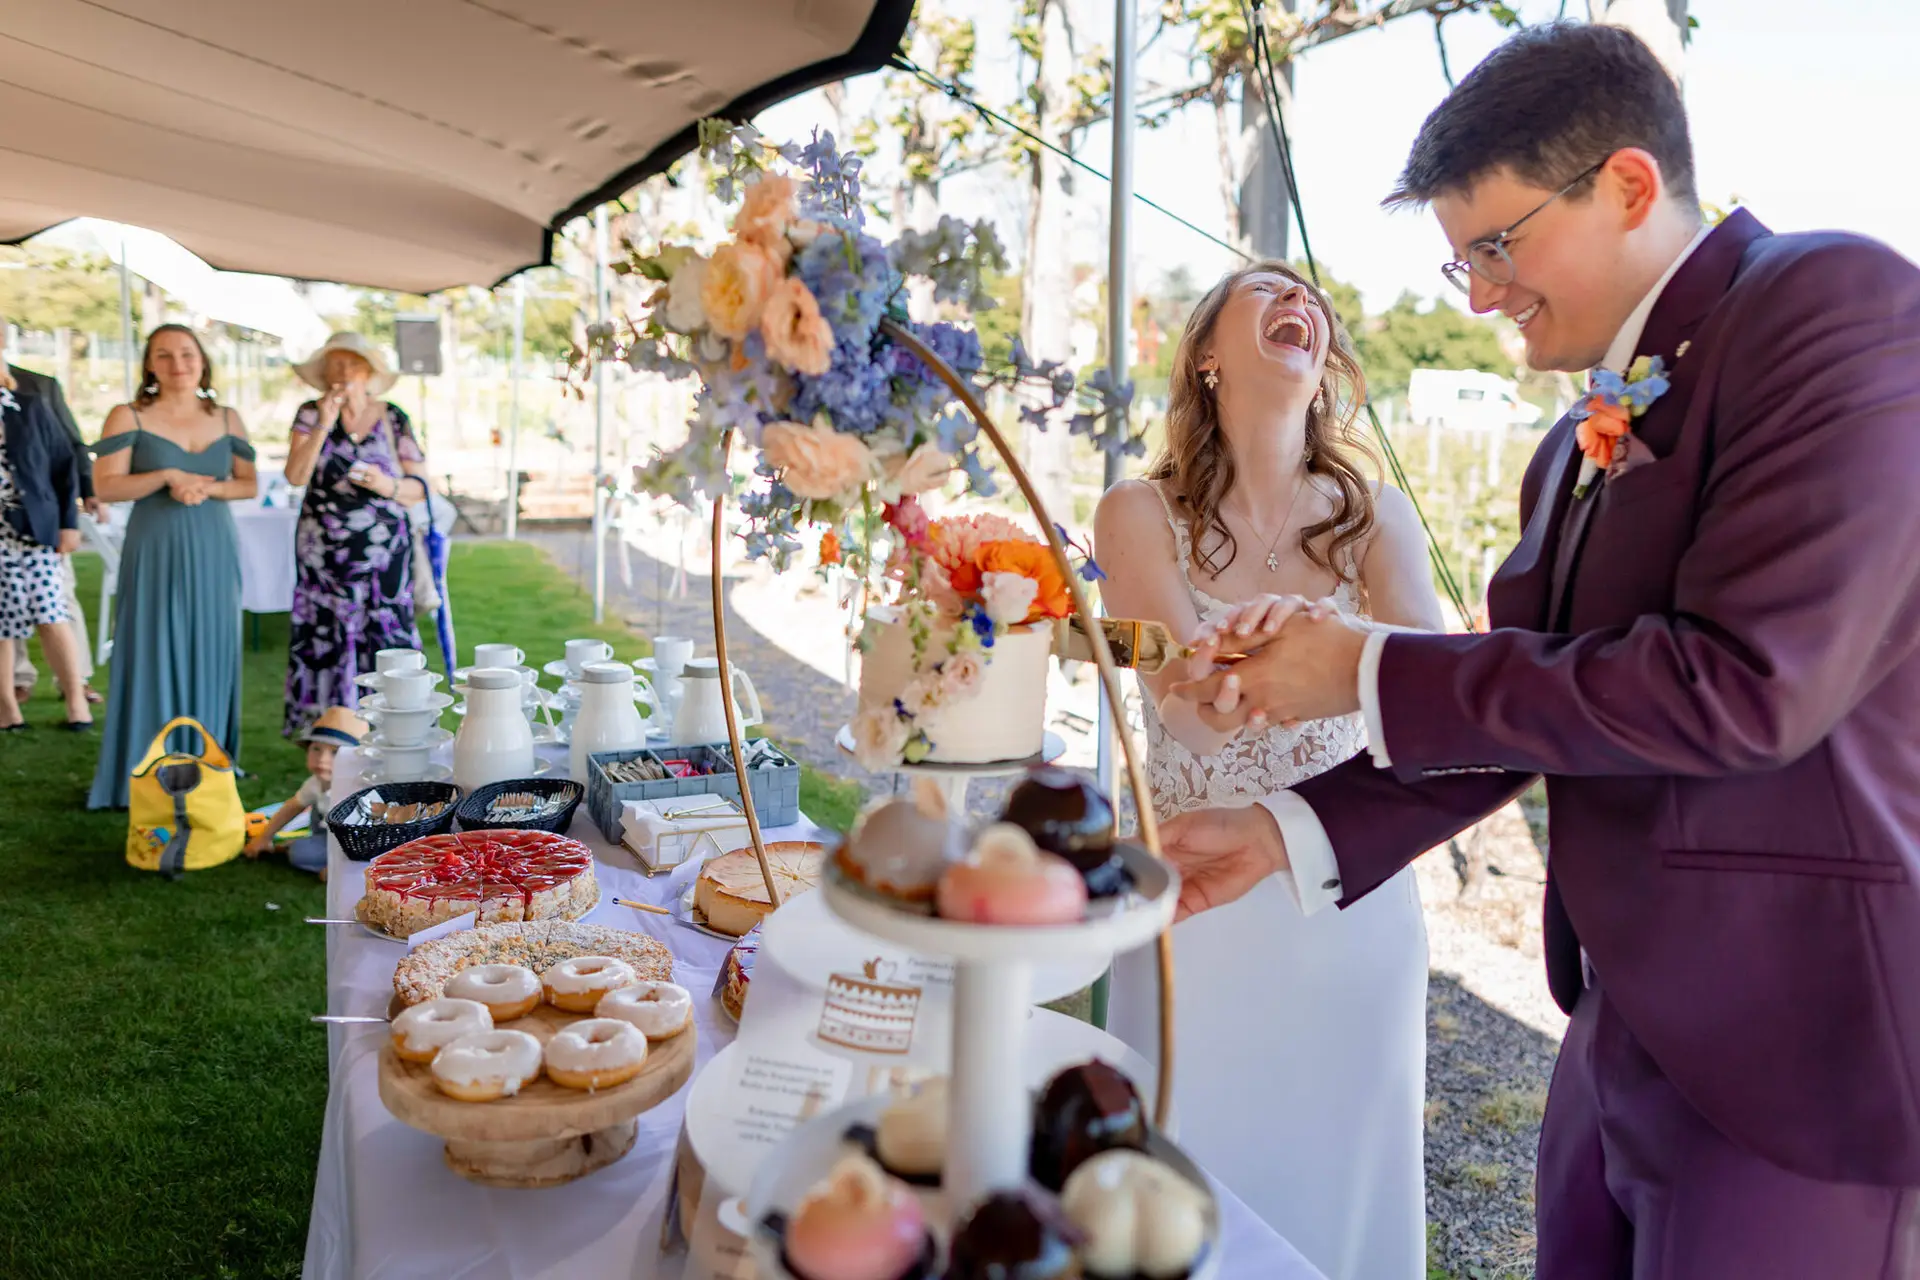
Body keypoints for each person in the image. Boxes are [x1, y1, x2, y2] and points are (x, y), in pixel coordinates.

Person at [1159, 23, 1920, 1279]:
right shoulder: (1574, 439)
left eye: (1497, 247)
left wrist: (1361, 666)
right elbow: (1524, 705)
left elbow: (1745, 686)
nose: (1480, 293)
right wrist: (1284, 828)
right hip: (1619, 1027)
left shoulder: (1837, 303)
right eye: (1461, 259)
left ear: (1627, 184)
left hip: (1798, 1054)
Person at [1093, 262, 1444, 1277]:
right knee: (1181, 1186)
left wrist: (1316, 647)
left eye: (1312, 299)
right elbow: (1188, 708)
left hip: (1345, 903)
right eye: (1267, 290)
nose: (1301, 303)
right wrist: (1275, 665)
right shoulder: (1137, 513)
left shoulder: (1376, 518)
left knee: (1337, 1182)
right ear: (1207, 353)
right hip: (1193, 905)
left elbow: (1432, 695)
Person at [87, 326, 256, 809]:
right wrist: (165, 475)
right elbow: (106, 486)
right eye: (164, 355)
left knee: (212, 642)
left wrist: (205, 487)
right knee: (153, 642)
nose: (177, 364)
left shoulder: (227, 417)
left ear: (202, 360)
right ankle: (149, 767)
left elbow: (247, 484)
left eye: (186, 354)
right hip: (156, 545)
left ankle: (209, 761)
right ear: (149, 364)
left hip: (213, 544)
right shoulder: (129, 415)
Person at [281, 332, 428, 737]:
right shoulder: (310, 414)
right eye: (335, 363)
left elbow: (419, 487)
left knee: (385, 633)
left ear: (369, 372)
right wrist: (324, 424)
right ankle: (328, 734)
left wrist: (387, 485)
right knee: (326, 633)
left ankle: (393, 726)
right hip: (324, 555)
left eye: (352, 363)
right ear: (324, 372)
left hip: (385, 556)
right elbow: (295, 475)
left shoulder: (392, 417)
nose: (343, 371)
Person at [4, 322, 101, 709]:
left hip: (40, 518)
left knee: (59, 599)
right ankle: (16, 681)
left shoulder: (38, 387)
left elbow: (69, 449)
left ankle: (75, 680)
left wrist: (86, 493)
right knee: (4, 609)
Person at [246, 705, 366, 881]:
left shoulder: (356, 791)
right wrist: (265, 837)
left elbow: (363, 838)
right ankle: (313, 848)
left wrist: (339, 869)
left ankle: (351, 867)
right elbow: (293, 806)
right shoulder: (315, 783)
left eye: (335, 752)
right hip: (328, 836)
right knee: (308, 834)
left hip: (358, 844)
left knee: (300, 854)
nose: (322, 759)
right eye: (316, 749)